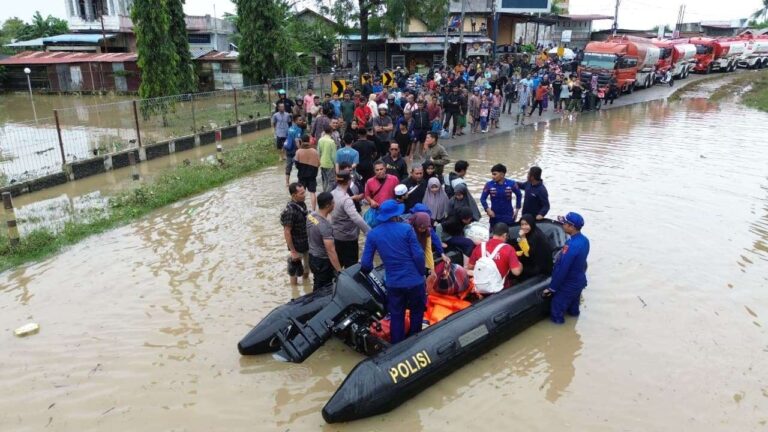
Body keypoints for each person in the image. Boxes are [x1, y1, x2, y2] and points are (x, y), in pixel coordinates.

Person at [360, 199, 426, 344]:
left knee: (397, 315)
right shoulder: (407, 229)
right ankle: (415, 342)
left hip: (394, 283)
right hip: (414, 280)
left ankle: (397, 346)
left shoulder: (373, 234)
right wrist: (421, 273)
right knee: (417, 312)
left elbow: (365, 264)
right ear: (396, 215)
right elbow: (418, 255)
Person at [544, 212, 590, 324]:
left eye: (564, 223)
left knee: (556, 309)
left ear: (572, 227)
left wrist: (552, 288)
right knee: (574, 310)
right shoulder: (585, 240)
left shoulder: (571, 246)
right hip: (579, 282)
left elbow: (562, 269)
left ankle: (558, 331)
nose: (562, 225)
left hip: (568, 285)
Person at [331, 169, 371, 268]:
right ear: (349, 181)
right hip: (348, 238)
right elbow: (356, 218)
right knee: (351, 268)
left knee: (338, 266)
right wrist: (369, 232)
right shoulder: (346, 199)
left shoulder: (332, 193)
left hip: (335, 235)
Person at [467, 223, 523, 290]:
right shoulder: (509, 249)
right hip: (501, 289)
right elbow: (516, 272)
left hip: (482, 288)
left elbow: (470, 267)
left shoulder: (479, 246)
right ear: (505, 235)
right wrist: (520, 264)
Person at [306, 192, 342, 291]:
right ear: (328, 205)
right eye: (333, 202)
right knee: (323, 289)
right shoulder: (325, 225)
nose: (334, 204)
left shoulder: (311, 216)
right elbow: (330, 250)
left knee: (317, 283)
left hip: (312, 257)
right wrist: (339, 270)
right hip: (322, 261)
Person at [280, 182, 310, 285]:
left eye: (304, 192)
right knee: (294, 272)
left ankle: (306, 286)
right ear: (294, 195)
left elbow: (308, 217)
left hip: (306, 242)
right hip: (297, 246)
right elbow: (287, 232)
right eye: (301, 193)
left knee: (307, 269)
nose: (304, 195)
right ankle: (294, 292)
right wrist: (293, 251)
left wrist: (319, 223)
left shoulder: (302, 204)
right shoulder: (290, 211)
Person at [513, 214, 554, 280]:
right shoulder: (530, 232)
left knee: (516, 271)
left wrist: (523, 237)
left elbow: (528, 253)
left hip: (540, 267)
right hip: (533, 259)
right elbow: (523, 247)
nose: (524, 227)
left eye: (526, 224)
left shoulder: (536, 236)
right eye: (522, 224)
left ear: (531, 224)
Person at [480, 163, 522, 227]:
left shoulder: (512, 183)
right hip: (494, 215)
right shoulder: (489, 185)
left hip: (508, 215)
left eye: (495, 174)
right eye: (492, 174)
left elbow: (519, 195)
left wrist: (517, 210)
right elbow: (482, 199)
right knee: (493, 235)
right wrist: (488, 210)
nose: (492, 176)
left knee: (509, 235)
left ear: (502, 174)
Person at [294, 136, 320, 210]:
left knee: (301, 193)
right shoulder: (314, 151)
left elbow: (296, 164)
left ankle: (302, 209)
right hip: (312, 175)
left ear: (301, 141)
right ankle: (313, 210)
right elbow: (318, 163)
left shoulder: (298, 151)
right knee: (312, 192)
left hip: (302, 175)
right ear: (309, 141)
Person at [283, 114, 305, 187]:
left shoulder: (290, 128)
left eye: (302, 120)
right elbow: (297, 140)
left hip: (289, 151)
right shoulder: (298, 129)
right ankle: (300, 182)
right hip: (295, 151)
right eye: (300, 120)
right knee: (300, 166)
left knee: (288, 167)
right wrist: (300, 150)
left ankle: (287, 183)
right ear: (295, 121)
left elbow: (287, 140)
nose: (302, 121)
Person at [318, 125, 337, 192]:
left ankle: (324, 194)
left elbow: (318, 152)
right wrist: (336, 166)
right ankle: (326, 195)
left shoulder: (320, 140)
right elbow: (334, 156)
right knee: (331, 182)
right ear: (331, 131)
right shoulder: (331, 142)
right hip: (330, 164)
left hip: (322, 163)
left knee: (325, 181)